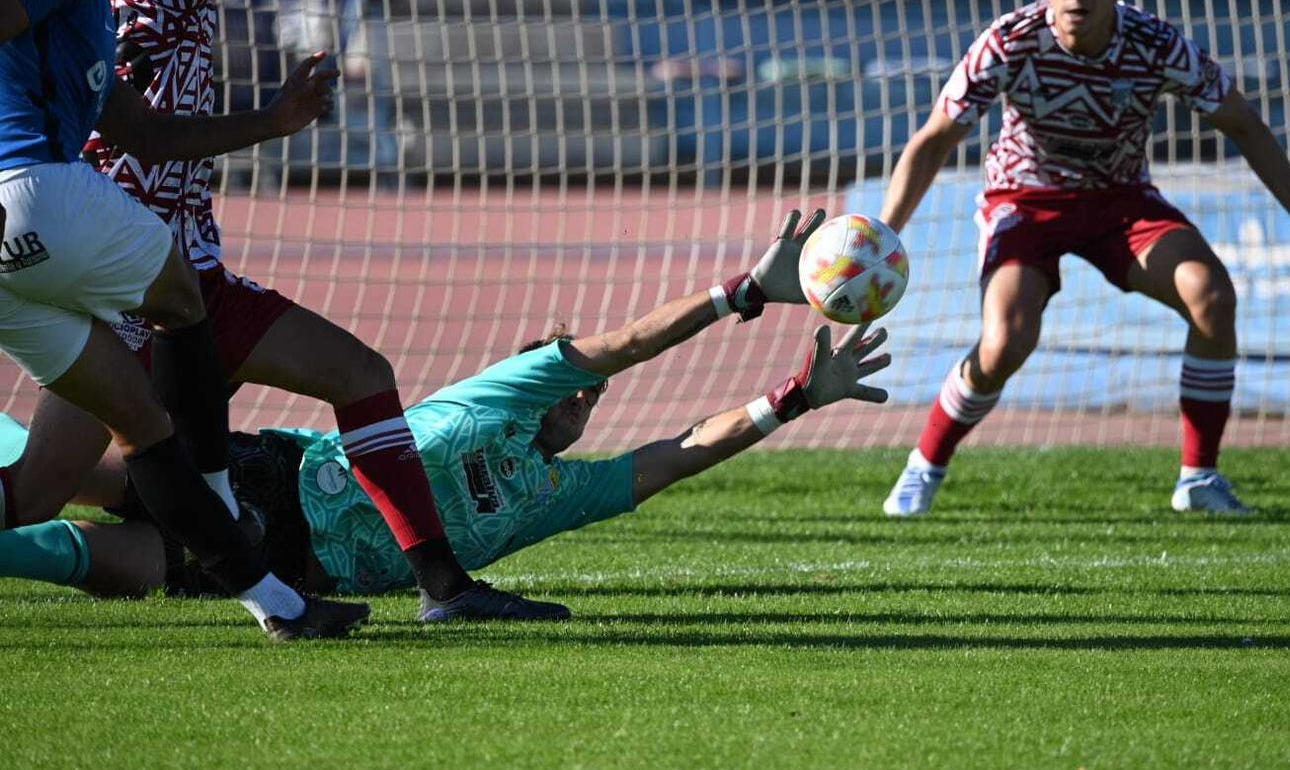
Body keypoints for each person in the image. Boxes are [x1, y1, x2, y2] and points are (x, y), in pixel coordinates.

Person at [13, 0, 547, 622]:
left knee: (355, 376)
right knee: (104, 476)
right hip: (140, 284)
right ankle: (294, 562)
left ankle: (432, 585)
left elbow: (127, 131)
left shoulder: (73, 17)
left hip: (146, 276)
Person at [0, 211, 892, 604]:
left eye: (595, 399)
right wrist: (736, 293)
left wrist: (797, 397)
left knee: (90, 563)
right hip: (278, 472)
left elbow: (682, 451)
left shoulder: (560, 496)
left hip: (297, 565)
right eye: (576, 382)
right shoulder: (504, 397)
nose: (586, 396)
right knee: (85, 479)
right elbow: (626, 342)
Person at [878, 0, 1290, 518]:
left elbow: (1244, 124)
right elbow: (935, 138)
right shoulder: (1009, 42)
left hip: (1120, 201)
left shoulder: (1157, 45)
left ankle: (1199, 479)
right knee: (1006, 340)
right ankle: (924, 466)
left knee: (1211, 296)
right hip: (1025, 203)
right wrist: (886, 231)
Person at [0, 0, 366, 639]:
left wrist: (270, 123)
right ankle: (219, 486)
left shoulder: (88, 19)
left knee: (84, 461)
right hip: (31, 192)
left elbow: (149, 135)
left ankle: (278, 606)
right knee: (179, 284)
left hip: (10, 252)